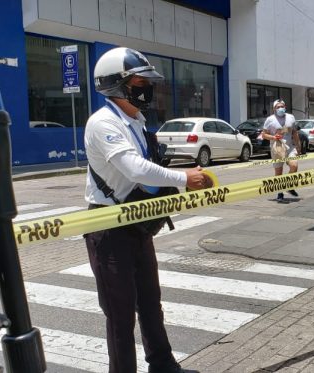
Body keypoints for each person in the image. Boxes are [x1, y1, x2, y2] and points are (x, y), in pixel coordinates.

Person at [84, 47, 206, 373]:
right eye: (140, 81)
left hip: (137, 224)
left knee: (151, 302)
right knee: (120, 313)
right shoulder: (103, 122)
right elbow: (134, 168)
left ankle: (162, 365)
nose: (147, 88)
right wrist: (184, 178)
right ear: (117, 85)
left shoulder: (135, 121)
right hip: (108, 226)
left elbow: (149, 166)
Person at [261, 99, 301, 202]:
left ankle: (289, 185)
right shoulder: (270, 119)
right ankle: (280, 192)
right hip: (277, 148)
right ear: (274, 109)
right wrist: (273, 137)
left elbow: (294, 133)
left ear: (285, 107)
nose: (280, 108)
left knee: (294, 165)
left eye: (282, 106)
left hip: (289, 147)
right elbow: (263, 134)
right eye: (278, 107)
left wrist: (298, 146)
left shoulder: (291, 117)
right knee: (278, 172)